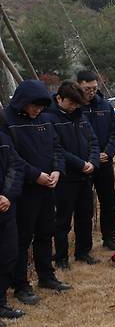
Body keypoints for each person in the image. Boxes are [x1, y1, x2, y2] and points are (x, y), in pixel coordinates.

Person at [2, 80, 70, 306]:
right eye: (34, 106)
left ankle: (46, 275)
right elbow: (12, 158)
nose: (37, 110)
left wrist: (57, 170)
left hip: (47, 187)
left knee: (45, 232)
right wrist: (35, 175)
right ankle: (20, 284)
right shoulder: (7, 121)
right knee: (22, 238)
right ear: (23, 102)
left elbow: (57, 148)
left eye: (41, 107)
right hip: (23, 191)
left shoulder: (45, 120)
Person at [48, 81, 101, 268]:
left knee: (85, 216)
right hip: (65, 177)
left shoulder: (80, 117)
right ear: (59, 98)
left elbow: (93, 141)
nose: (73, 107)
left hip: (85, 177)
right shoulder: (50, 118)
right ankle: (61, 257)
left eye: (77, 104)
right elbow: (57, 148)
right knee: (62, 220)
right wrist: (80, 164)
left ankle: (83, 252)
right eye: (70, 103)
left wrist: (93, 163)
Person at [77, 71, 115, 251]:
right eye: (87, 88)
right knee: (84, 206)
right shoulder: (75, 108)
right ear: (79, 85)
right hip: (84, 165)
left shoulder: (105, 106)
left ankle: (109, 237)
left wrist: (108, 152)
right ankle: (84, 244)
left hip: (104, 163)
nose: (91, 91)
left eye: (95, 88)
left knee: (108, 202)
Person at [0, 131, 25, 321]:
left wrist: (7, 195)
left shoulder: (4, 138)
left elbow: (15, 166)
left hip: (5, 207)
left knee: (9, 255)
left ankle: (1, 303)